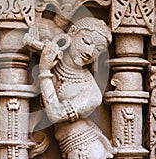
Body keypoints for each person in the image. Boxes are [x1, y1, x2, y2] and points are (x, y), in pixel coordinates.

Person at [38, 17, 116, 158]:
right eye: (86, 41)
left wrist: (44, 71)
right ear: (72, 32)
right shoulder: (54, 61)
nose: (90, 52)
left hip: (86, 148)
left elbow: (55, 115)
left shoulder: (92, 94)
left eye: (98, 49)